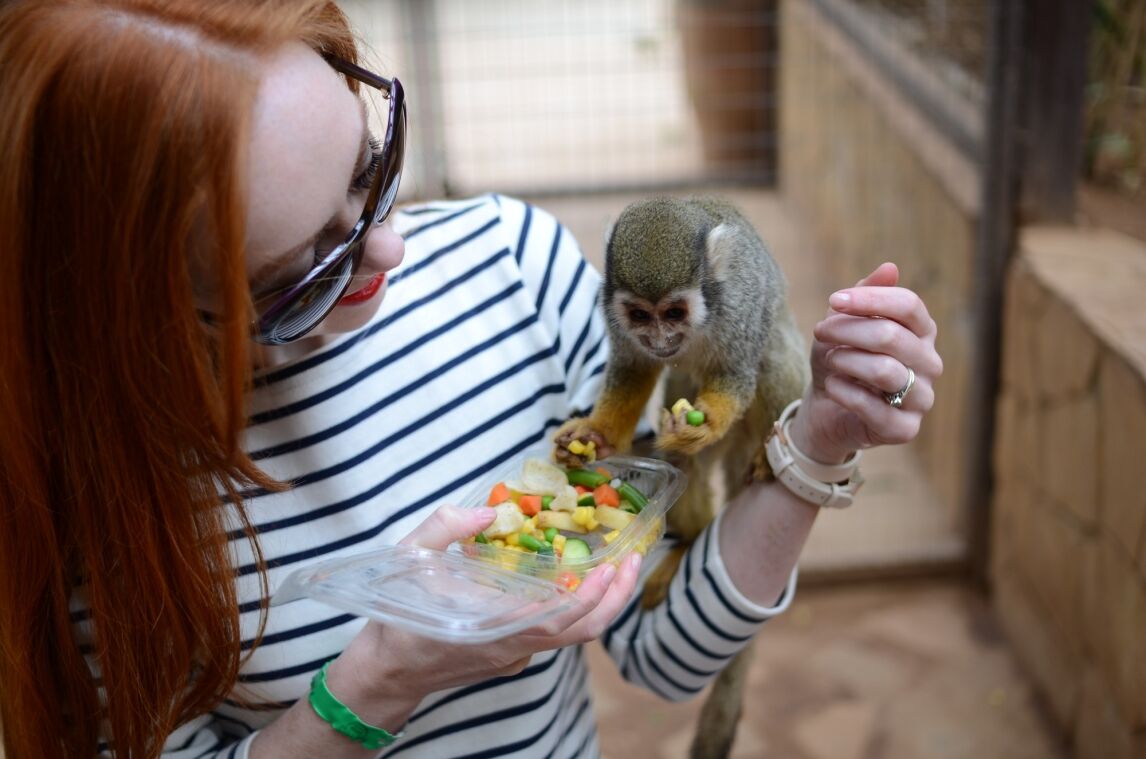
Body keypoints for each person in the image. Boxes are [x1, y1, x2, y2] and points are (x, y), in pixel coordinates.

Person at [0, 1, 943, 757]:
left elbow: (663, 652)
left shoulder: (509, 266)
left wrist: (814, 442)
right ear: (143, 304)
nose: (389, 249)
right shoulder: (86, 474)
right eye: (301, 268)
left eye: (371, 172)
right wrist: (379, 681)